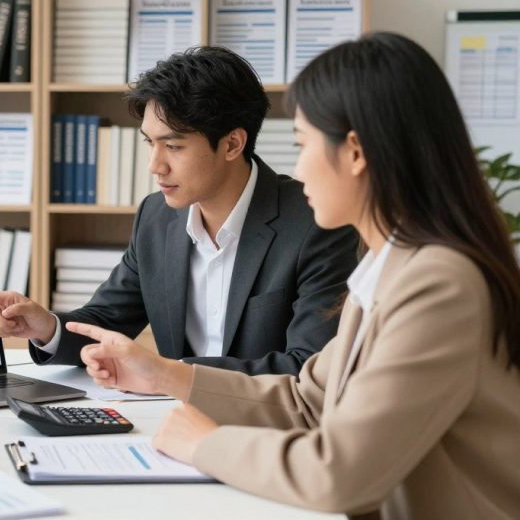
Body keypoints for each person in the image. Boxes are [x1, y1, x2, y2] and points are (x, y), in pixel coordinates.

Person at [70, 32, 520, 519]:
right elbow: (308, 400)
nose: (297, 167)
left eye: (303, 143)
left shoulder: (439, 285)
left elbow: (342, 475)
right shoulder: (390, 265)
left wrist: (208, 444)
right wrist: (163, 373)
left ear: (354, 153)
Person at [0, 46, 358, 375]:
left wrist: (169, 374)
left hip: (262, 429)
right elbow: (107, 320)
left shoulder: (316, 223)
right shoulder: (157, 216)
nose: (155, 166)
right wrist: (45, 326)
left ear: (232, 144)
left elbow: (309, 367)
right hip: (166, 419)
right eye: (149, 144)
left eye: (173, 146)